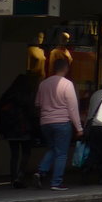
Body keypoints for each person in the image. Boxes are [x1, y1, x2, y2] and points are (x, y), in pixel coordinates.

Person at [35, 58, 82, 191]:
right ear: (66, 68)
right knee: (61, 153)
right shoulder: (67, 84)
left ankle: (41, 172)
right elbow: (72, 107)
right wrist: (78, 127)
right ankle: (56, 182)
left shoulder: (43, 84)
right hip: (62, 122)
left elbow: (37, 103)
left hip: (45, 123)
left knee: (52, 148)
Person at [0, 73, 40, 187]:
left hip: (11, 130)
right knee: (26, 153)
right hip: (24, 128)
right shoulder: (27, 96)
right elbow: (32, 113)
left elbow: (2, 113)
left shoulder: (8, 95)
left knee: (14, 154)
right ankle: (20, 177)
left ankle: (13, 178)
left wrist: (2, 130)